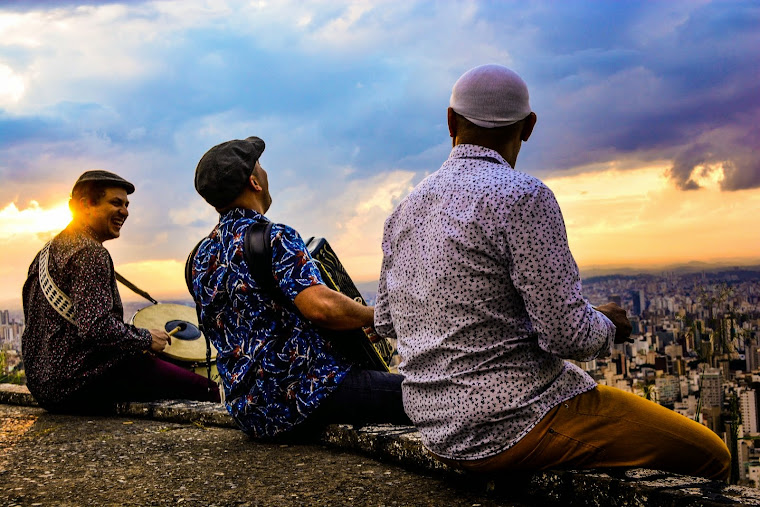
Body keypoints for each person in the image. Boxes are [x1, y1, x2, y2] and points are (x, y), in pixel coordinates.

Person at [374, 64, 730, 480]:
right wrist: (608, 324)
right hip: (510, 424)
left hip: (436, 430)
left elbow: (385, 321)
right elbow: (568, 336)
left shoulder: (403, 211)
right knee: (712, 455)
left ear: (450, 120)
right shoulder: (523, 196)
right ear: (528, 127)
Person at [189, 136, 410, 439]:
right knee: (428, 394)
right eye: (261, 168)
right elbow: (321, 307)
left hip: (248, 412)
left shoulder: (198, 258)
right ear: (254, 182)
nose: (265, 175)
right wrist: (372, 315)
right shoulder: (274, 237)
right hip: (307, 396)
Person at [22, 170, 220, 413]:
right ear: (85, 206)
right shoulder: (90, 253)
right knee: (208, 390)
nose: (125, 211)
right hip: (80, 383)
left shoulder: (44, 254)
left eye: (126, 204)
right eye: (115, 203)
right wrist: (147, 338)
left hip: (44, 387)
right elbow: (96, 328)